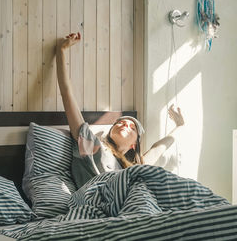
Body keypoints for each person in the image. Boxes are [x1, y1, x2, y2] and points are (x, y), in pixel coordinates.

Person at [56, 32, 185, 188]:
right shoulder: (92, 145)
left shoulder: (135, 169)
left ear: (133, 145)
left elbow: (158, 148)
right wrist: (60, 50)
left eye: (132, 128)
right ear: (110, 131)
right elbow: (67, 95)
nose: (125, 125)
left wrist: (180, 126)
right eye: (121, 123)